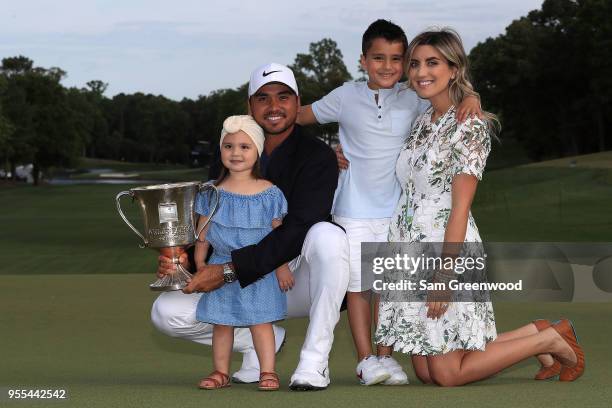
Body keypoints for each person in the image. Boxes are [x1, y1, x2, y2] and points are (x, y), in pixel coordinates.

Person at [374, 28, 584, 386]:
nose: (421, 72)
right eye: (415, 64)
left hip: (446, 248)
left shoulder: (469, 125)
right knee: (426, 373)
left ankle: (549, 339)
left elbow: (459, 208)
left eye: (433, 63)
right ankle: (541, 331)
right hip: (410, 246)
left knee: (447, 375)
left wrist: (444, 277)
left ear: (454, 69)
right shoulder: (423, 121)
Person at [297, 19, 482, 386]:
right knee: (359, 286)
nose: (388, 66)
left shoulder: (414, 96)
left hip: (398, 214)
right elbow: (295, 118)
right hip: (351, 208)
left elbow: (453, 100)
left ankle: (386, 356)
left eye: (397, 59)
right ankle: (367, 360)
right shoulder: (344, 95)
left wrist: (474, 96)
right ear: (362, 60)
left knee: (389, 286)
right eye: (378, 58)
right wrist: (325, 153)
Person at [151, 63, 350, 391]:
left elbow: (297, 229)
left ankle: (314, 362)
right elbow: (211, 219)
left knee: (328, 236)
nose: (273, 107)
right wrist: (181, 258)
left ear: (297, 103)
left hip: (293, 278)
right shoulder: (231, 152)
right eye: (263, 98)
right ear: (250, 106)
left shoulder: (316, 155)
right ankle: (265, 340)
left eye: (283, 97)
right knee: (166, 311)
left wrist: (230, 270)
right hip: (238, 274)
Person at [194, 115, 289, 391]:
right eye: (229, 146)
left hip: (260, 269)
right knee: (222, 323)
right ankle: (220, 371)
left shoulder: (269, 193)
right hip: (219, 266)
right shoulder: (211, 192)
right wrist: (200, 262)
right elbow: (203, 232)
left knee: (261, 322)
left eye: (244, 147)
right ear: (220, 150)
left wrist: (281, 266)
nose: (236, 153)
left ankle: (268, 371)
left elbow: (279, 237)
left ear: (257, 150)